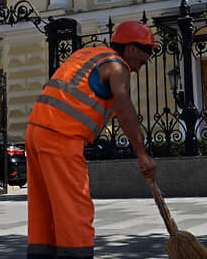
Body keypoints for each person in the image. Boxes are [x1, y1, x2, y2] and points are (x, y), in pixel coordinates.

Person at [26, 20, 158, 259]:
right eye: (141, 60)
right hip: (61, 135)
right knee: (75, 208)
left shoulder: (87, 54)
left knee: (42, 210)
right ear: (131, 48)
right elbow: (124, 107)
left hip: (36, 131)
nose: (139, 68)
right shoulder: (118, 67)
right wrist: (142, 153)